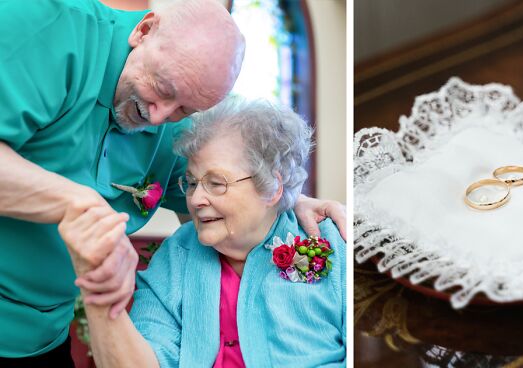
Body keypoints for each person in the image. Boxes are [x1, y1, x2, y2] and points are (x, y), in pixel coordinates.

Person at [0, 0, 345, 364]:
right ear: (144, 31)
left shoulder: (177, 133)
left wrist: (287, 199)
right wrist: (78, 205)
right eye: (162, 88)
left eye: (184, 109)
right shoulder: (46, 22)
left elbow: (225, 195)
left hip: (40, 339)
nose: (158, 116)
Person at [60, 97, 346, 367]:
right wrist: (99, 286)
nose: (196, 200)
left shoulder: (330, 241)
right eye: (192, 183)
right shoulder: (176, 258)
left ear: (272, 187)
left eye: (216, 183)